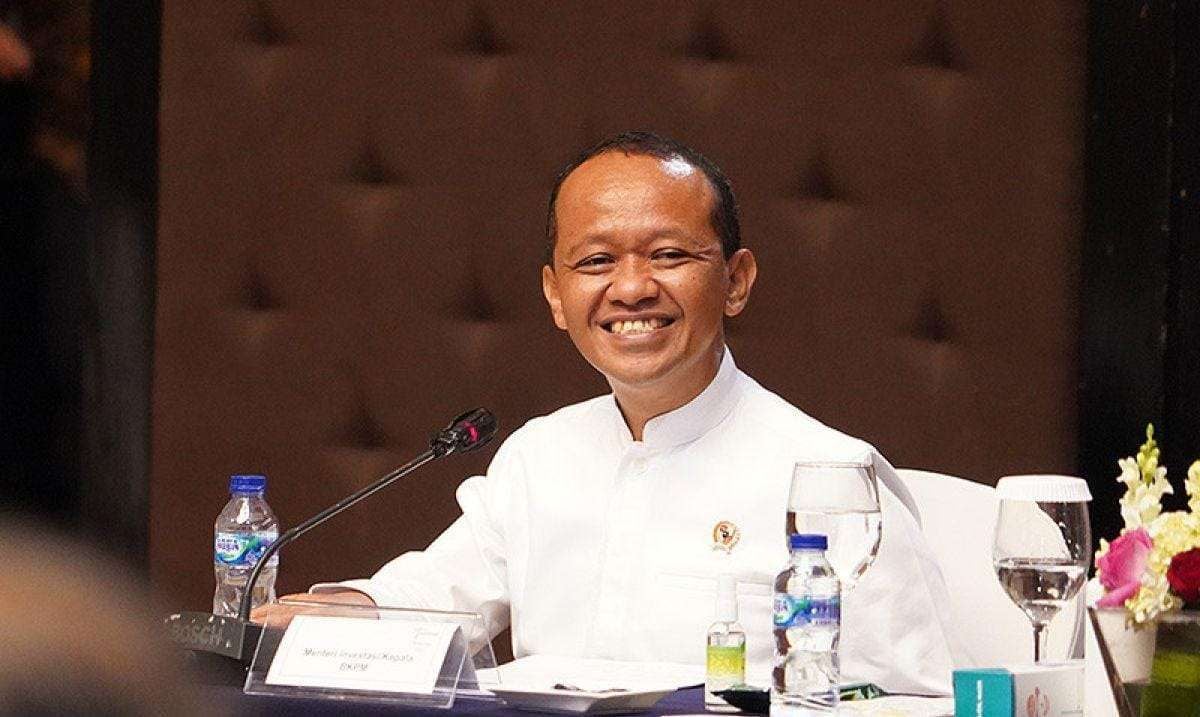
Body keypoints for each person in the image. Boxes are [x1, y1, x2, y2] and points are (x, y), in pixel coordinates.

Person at [256, 131, 961, 694]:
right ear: (555, 296)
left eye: (669, 254)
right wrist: (344, 612)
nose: (631, 289)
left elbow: (917, 697)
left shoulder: (832, 478)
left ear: (736, 281)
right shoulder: (539, 455)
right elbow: (437, 596)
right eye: (595, 262)